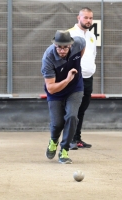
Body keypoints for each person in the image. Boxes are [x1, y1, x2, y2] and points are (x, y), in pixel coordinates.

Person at [41, 30, 86, 164]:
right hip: (56, 91)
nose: (62, 50)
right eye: (59, 47)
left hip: (75, 88)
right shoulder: (48, 58)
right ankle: (54, 140)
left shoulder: (78, 43)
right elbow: (51, 87)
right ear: (55, 45)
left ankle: (64, 150)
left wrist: (75, 62)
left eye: (65, 47)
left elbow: (83, 46)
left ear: (70, 45)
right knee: (57, 123)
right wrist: (67, 79)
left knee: (72, 116)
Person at [68, 7, 97, 150]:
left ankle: (77, 138)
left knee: (82, 109)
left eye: (90, 18)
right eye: (85, 17)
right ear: (78, 18)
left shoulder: (92, 35)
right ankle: (69, 139)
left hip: (88, 77)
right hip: (74, 78)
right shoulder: (70, 34)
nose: (88, 20)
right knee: (72, 109)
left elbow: (92, 55)